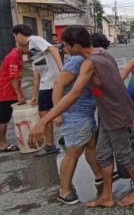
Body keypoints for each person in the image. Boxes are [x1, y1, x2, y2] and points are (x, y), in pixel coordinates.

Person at [29, 26, 134, 208]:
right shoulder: (101, 52)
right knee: (102, 154)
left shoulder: (89, 63)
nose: (64, 49)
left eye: (66, 45)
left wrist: (44, 120)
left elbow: (74, 94)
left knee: (123, 154)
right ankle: (107, 196)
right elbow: (105, 83)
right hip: (107, 112)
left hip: (115, 113)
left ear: (76, 45)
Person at [53, 46, 103, 205]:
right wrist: (57, 113)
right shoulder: (76, 62)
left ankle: (99, 175)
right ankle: (64, 190)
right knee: (73, 152)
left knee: (90, 145)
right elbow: (58, 84)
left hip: (86, 114)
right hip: (74, 115)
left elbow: (93, 87)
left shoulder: (89, 61)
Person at [12, 24, 62, 157]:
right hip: (45, 83)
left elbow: (54, 50)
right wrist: (34, 96)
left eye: (15, 37)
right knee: (47, 113)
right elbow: (36, 77)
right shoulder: (34, 52)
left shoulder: (34, 40)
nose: (16, 41)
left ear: (20, 34)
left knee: (48, 113)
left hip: (52, 82)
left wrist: (62, 71)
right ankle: (52, 143)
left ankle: (52, 144)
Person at [0, 44, 28, 152]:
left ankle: (24, 138)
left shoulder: (18, 56)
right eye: (29, 48)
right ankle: (2, 144)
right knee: (4, 117)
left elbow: (17, 76)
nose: (30, 51)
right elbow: (13, 77)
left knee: (14, 115)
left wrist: (20, 92)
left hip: (11, 90)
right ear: (22, 46)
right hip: (6, 91)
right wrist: (19, 95)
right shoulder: (13, 56)